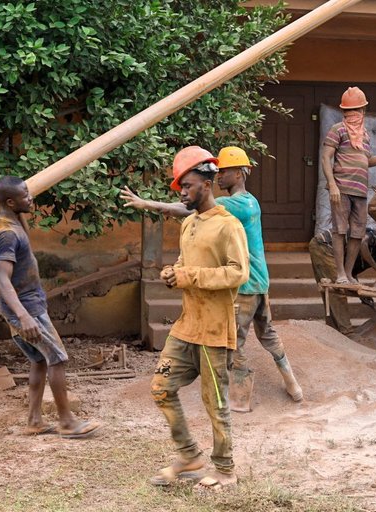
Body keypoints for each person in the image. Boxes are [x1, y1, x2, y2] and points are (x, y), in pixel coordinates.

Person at [121, 146, 303, 413]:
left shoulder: (237, 204)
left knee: (234, 342)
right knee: (269, 335)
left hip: (243, 286)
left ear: (241, 174)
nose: (219, 176)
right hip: (259, 282)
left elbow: (190, 210)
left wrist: (149, 204)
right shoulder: (251, 201)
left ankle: (239, 401)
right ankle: (292, 384)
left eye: (225, 171)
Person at [143, 146, 249, 491]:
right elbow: (188, 262)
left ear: (207, 183)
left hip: (215, 330)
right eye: (181, 188)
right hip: (187, 327)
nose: (183, 193)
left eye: (188, 186)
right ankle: (189, 455)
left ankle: (225, 469)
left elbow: (238, 273)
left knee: (215, 403)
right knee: (161, 387)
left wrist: (189, 276)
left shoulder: (228, 226)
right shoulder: (189, 223)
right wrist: (174, 272)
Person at [0, 176, 102, 438]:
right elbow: (3, 279)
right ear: (9, 202)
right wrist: (24, 317)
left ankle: (34, 421)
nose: (31, 198)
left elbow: (16, 211)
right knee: (57, 359)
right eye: (25, 195)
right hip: (27, 310)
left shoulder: (13, 221)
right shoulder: (6, 233)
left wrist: (18, 206)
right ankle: (67, 422)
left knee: (39, 360)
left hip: (29, 305)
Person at [321, 86, 376, 285]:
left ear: (363, 111)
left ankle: (349, 273)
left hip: (359, 191)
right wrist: (332, 185)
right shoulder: (337, 130)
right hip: (341, 189)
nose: (354, 115)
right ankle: (340, 274)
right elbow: (326, 157)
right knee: (340, 231)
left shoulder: (364, 136)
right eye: (350, 111)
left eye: (357, 110)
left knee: (357, 234)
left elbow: (368, 161)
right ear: (344, 112)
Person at [309, 226, 376, 336]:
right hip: (325, 246)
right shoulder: (375, 237)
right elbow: (362, 243)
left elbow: (350, 272)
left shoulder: (375, 254)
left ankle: (334, 331)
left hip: (327, 249)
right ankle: (347, 332)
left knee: (332, 291)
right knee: (337, 290)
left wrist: (361, 294)